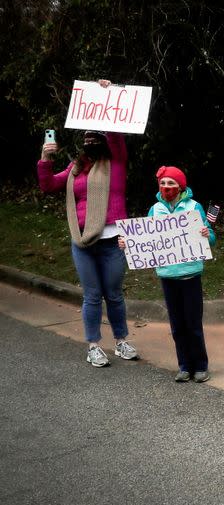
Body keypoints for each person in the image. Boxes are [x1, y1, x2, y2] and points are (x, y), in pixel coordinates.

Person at [37, 79, 138, 368]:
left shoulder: (116, 161)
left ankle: (120, 341)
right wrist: (45, 159)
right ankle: (94, 346)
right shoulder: (75, 168)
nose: (90, 142)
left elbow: (116, 132)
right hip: (82, 241)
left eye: (96, 137)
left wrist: (105, 95)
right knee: (92, 295)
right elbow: (47, 185)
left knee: (114, 295)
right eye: (86, 138)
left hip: (113, 240)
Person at [120, 166, 216, 383]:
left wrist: (205, 234)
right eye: (163, 184)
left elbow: (210, 237)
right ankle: (183, 365)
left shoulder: (194, 207)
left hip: (190, 275)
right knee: (177, 325)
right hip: (168, 276)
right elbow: (145, 239)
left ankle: (200, 366)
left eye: (171, 184)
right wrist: (128, 243)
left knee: (193, 324)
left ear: (181, 186)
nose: (166, 187)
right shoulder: (155, 209)